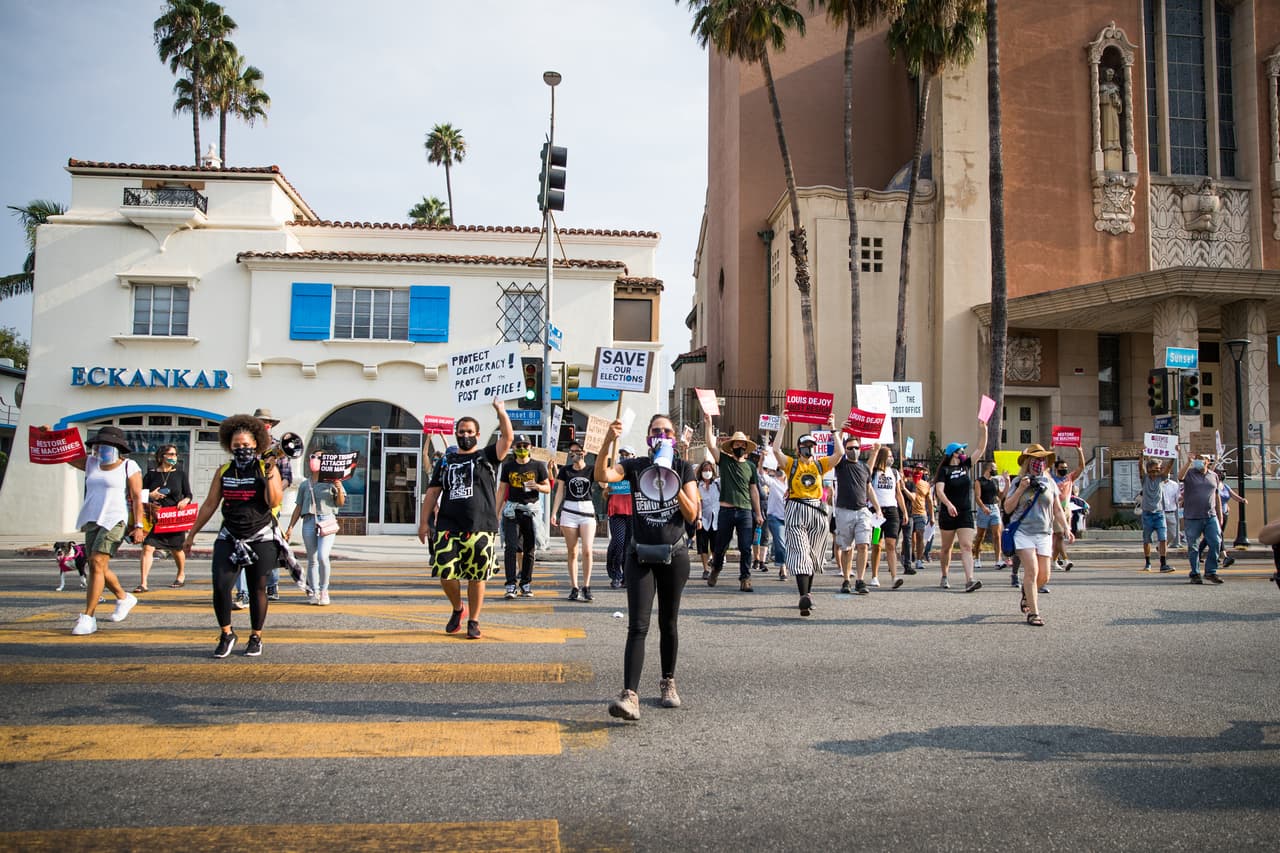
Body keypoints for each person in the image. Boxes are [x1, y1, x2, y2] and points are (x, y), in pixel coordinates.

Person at [596, 413, 699, 720]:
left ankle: (668, 681)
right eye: (656, 431)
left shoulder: (684, 468)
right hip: (639, 554)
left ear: (674, 437)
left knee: (668, 622)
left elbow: (692, 514)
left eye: (667, 431)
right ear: (648, 438)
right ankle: (630, 695)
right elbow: (603, 474)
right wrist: (608, 440)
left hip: (674, 554)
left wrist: (670, 479)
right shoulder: (635, 466)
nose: (661, 435)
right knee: (637, 626)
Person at [183, 414, 286, 658]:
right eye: (237, 445)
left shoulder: (265, 468)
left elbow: (274, 501)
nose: (242, 449)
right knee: (220, 586)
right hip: (230, 536)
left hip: (260, 536)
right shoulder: (224, 471)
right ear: (229, 446)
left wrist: (270, 472)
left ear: (257, 445)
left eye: (247, 445)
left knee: (257, 588)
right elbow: (209, 504)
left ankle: (255, 636)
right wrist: (192, 533)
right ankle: (227, 633)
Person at [418, 399, 514, 639]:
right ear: (456, 434)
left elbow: (508, 438)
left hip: (481, 526)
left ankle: (474, 620)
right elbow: (432, 493)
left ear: (478, 434)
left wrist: (501, 412)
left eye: (470, 432)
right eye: (461, 432)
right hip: (448, 527)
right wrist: (423, 522)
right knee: (446, 574)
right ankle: (458, 608)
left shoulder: (487, 457)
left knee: (476, 575)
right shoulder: (445, 462)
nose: (465, 435)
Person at [59, 425, 145, 636]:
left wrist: (139, 526)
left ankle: (88, 616)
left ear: (117, 447)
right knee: (96, 564)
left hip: (115, 519)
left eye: (107, 446)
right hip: (92, 518)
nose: (101, 450)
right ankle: (124, 598)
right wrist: (51, 434)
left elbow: (136, 498)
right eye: (99, 445)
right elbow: (64, 456)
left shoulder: (129, 466)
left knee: (97, 562)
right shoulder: (90, 463)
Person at [776, 419, 844, 616]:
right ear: (799, 448)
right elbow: (776, 450)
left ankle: (809, 594)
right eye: (805, 446)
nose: (809, 449)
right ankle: (803, 595)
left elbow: (838, 454)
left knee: (814, 553)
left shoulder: (820, 465)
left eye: (811, 446)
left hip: (817, 509)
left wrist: (833, 429)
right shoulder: (792, 464)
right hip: (797, 507)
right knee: (800, 551)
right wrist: (782, 426)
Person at [1004, 444, 1072, 627]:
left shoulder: (1049, 482)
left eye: (1042, 460)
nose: (1039, 463)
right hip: (1023, 532)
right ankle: (1034, 613)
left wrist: (1066, 527)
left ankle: (1026, 594)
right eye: (1036, 459)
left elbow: (1057, 508)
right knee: (1032, 571)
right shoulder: (1019, 482)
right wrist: (1020, 489)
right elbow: (1008, 508)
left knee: (1044, 576)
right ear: (1028, 462)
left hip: (1044, 533)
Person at [704, 417, 763, 593]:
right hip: (726, 511)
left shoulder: (751, 467)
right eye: (737, 444)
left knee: (746, 546)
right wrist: (708, 424)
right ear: (732, 447)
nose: (740, 447)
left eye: (742, 445)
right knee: (720, 546)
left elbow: (754, 491)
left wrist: (758, 513)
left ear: (746, 447)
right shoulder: (725, 461)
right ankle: (715, 569)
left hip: (745, 511)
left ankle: (745, 578)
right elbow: (710, 444)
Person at [933, 420, 989, 592]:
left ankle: (969, 579)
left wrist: (984, 431)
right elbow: (939, 491)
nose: (964, 452)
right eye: (961, 450)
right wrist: (948, 504)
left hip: (964, 512)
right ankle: (944, 575)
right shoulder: (944, 471)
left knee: (966, 545)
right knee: (946, 548)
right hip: (948, 513)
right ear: (953, 454)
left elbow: (980, 449)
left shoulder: (966, 466)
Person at [285, 448, 346, 605]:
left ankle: (324, 590)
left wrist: (338, 488)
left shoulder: (332, 482)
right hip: (309, 521)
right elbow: (298, 507)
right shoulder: (305, 484)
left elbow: (340, 503)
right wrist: (291, 526)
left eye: (320, 457)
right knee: (312, 559)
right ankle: (314, 591)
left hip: (327, 520)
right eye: (314, 456)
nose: (316, 459)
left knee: (322, 556)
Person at [498, 437, 550, 599]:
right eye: (518, 446)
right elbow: (501, 489)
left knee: (529, 549)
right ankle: (511, 584)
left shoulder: (538, 466)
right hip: (512, 511)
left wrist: (538, 486)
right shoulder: (508, 466)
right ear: (513, 448)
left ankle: (526, 583)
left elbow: (548, 487)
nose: (521, 448)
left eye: (524, 445)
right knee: (511, 547)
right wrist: (495, 512)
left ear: (530, 447)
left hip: (531, 511)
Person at [137, 444, 193, 592]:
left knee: (176, 549)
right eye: (170, 454)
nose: (173, 457)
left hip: (173, 516)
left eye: (175, 454)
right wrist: (151, 495)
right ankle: (143, 583)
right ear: (161, 456)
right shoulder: (151, 475)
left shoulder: (180, 474)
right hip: (154, 516)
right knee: (148, 547)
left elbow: (188, 494)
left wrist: (185, 501)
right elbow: (139, 494)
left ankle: (181, 574)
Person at [253, 407, 293, 602]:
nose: (263, 426)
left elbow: (288, 477)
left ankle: (272, 584)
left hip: (271, 505)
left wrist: (274, 489)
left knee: (271, 545)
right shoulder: (248, 445)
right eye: (259, 423)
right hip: (250, 501)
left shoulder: (279, 447)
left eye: (266, 423)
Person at [832, 437, 879, 595]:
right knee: (846, 548)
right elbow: (837, 451)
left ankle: (860, 580)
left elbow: (869, 488)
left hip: (862, 511)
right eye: (851, 448)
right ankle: (846, 580)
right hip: (844, 511)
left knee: (863, 545)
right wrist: (838, 431)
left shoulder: (864, 467)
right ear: (845, 450)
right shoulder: (841, 464)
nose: (854, 451)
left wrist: (877, 508)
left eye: (857, 448)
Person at [553, 441, 599, 602]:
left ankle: (586, 586)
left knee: (587, 550)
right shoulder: (565, 471)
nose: (574, 454)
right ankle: (574, 587)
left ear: (584, 452)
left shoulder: (591, 469)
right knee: (572, 551)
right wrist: (554, 513)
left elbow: (603, 483)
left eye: (577, 451)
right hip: (569, 511)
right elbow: (559, 492)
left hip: (587, 511)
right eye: (571, 451)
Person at [1178, 451, 1223, 584]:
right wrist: (1188, 462)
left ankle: (1211, 572)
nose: (1199, 461)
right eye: (1197, 459)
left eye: (1201, 459)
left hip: (1210, 516)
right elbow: (1180, 477)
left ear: (1208, 461)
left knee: (1216, 543)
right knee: (1193, 546)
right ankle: (1195, 573)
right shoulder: (1190, 473)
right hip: (1192, 517)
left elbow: (1216, 496)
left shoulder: (1214, 476)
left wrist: (1219, 515)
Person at [868, 446, 906, 589]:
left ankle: (894, 577)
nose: (892, 459)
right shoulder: (873, 473)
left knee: (891, 544)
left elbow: (898, 493)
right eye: (889, 456)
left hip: (892, 512)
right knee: (876, 544)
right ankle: (874, 576)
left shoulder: (895, 473)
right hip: (877, 513)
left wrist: (904, 511)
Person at [604, 445, 636, 589]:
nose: (624, 456)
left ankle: (627, 576)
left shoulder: (636, 473)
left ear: (633, 456)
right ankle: (615, 574)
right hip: (616, 511)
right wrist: (607, 490)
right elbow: (604, 494)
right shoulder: (614, 471)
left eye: (627, 454)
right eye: (622, 454)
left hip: (632, 512)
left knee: (629, 546)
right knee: (618, 542)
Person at [1139, 455, 1175, 573]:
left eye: (1159, 468)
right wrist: (1141, 457)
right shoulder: (1145, 478)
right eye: (1156, 468)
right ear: (1150, 469)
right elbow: (1140, 467)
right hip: (1147, 514)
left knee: (1163, 538)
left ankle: (1163, 564)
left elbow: (1168, 468)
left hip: (1159, 513)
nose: (1158, 470)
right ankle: (1148, 562)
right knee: (1147, 540)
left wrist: (1173, 456)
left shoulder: (1161, 478)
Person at [1050, 446, 1085, 571]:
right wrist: (1052, 451)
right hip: (1055, 510)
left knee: (1060, 537)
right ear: (1056, 468)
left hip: (1066, 510)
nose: (1064, 470)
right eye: (1062, 468)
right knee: (1059, 535)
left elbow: (1081, 467)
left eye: (1066, 468)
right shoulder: (1052, 478)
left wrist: (1079, 451)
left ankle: (1054, 561)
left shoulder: (1069, 478)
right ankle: (1066, 559)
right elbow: (1046, 467)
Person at [972, 461, 1007, 572]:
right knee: (980, 536)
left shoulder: (995, 481)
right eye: (994, 468)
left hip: (994, 508)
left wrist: (1007, 482)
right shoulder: (979, 481)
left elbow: (1000, 495)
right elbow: (977, 497)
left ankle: (998, 560)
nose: (995, 470)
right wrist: (983, 507)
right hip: (984, 508)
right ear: (988, 468)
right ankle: (977, 558)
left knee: (997, 535)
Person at [760, 459, 788, 579]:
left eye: (782, 469)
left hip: (789, 518)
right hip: (774, 517)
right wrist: (762, 459)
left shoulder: (792, 483)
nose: (780, 471)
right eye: (778, 469)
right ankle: (783, 568)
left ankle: (784, 563)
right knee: (780, 542)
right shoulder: (773, 482)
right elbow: (761, 474)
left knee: (787, 544)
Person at [904, 465, 933, 574]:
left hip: (921, 513)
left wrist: (932, 516)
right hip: (910, 512)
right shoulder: (908, 482)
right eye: (916, 469)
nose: (918, 471)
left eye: (921, 469)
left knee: (920, 535)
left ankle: (919, 559)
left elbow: (929, 501)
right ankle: (906, 557)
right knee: (909, 538)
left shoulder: (926, 485)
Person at [693, 459, 720, 580]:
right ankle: (705, 569)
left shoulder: (717, 484)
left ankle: (714, 566)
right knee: (703, 545)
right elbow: (698, 502)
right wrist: (698, 518)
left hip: (716, 519)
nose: (707, 472)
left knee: (715, 545)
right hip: (703, 518)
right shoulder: (697, 485)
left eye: (709, 470)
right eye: (705, 470)